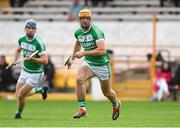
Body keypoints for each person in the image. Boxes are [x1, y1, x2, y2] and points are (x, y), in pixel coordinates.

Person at [66, 9, 121, 120]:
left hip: (102, 65)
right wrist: (72, 58)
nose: (84, 20)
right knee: (78, 79)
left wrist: (84, 52)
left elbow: (102, 50)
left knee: (106, 92)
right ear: (79, 20)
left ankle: (116, 104)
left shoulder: (96, 31)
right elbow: (78, 44)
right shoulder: (78, 32)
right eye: (82, 18)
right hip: (89, 64)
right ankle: (82, 109)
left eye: (87, 18)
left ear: (90, 19)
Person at [10, 19, 48, 119]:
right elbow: (18, 50)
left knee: (21, 95)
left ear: (35, 30)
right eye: (28, 28)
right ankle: (40, 90)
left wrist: (33, 59)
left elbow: (45, 60)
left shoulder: (39, 43)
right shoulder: (21, 40)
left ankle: (18, 113)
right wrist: (14, 60)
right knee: (17, 94)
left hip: (36, 73)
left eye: (32, 28)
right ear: (25, 29)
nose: (30, 30)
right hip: (25, 71)